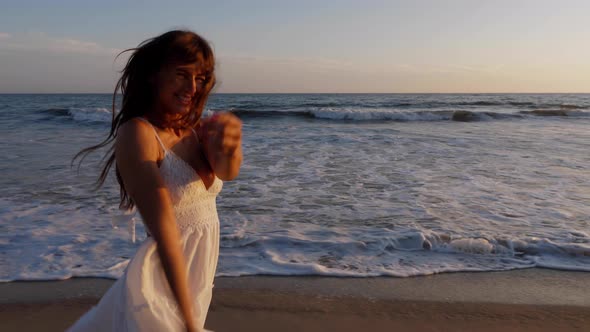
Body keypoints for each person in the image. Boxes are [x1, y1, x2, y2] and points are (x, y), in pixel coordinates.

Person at [68, 30, 242, 332]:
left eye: (200, 78)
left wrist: (231, 146)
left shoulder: (192, 129)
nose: (192, 87)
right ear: (153, 75)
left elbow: (226, 173)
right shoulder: (138, 134)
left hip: (197, 278)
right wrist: (188, 322)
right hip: (163, 282)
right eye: (181, 75)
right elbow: (165, 232)